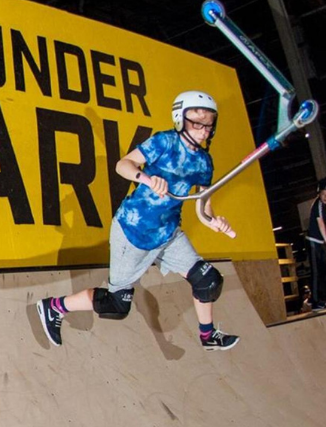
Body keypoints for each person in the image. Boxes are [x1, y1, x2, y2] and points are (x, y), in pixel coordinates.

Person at [37, 90, 239, 351]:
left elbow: (203, 205)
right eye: (196, 121)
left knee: (208, 280)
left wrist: (213, 222)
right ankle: (54, 306)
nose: (203, 129)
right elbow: (123, 165)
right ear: (181, 118)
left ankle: (207, 336)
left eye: (208, 122)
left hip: (168, 234)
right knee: (117, 305)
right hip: (133, 230)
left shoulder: (204, 162)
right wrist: (146, 178)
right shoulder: (164, 142)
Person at [304, 178, 326, 310]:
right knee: (316, 271)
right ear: (319, 194)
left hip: (319, 243)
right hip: (312, 242)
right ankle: (315, 302)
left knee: (324, 269)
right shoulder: (317, 204)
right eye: (324, 194)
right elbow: (321, 223)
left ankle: (315, 297)